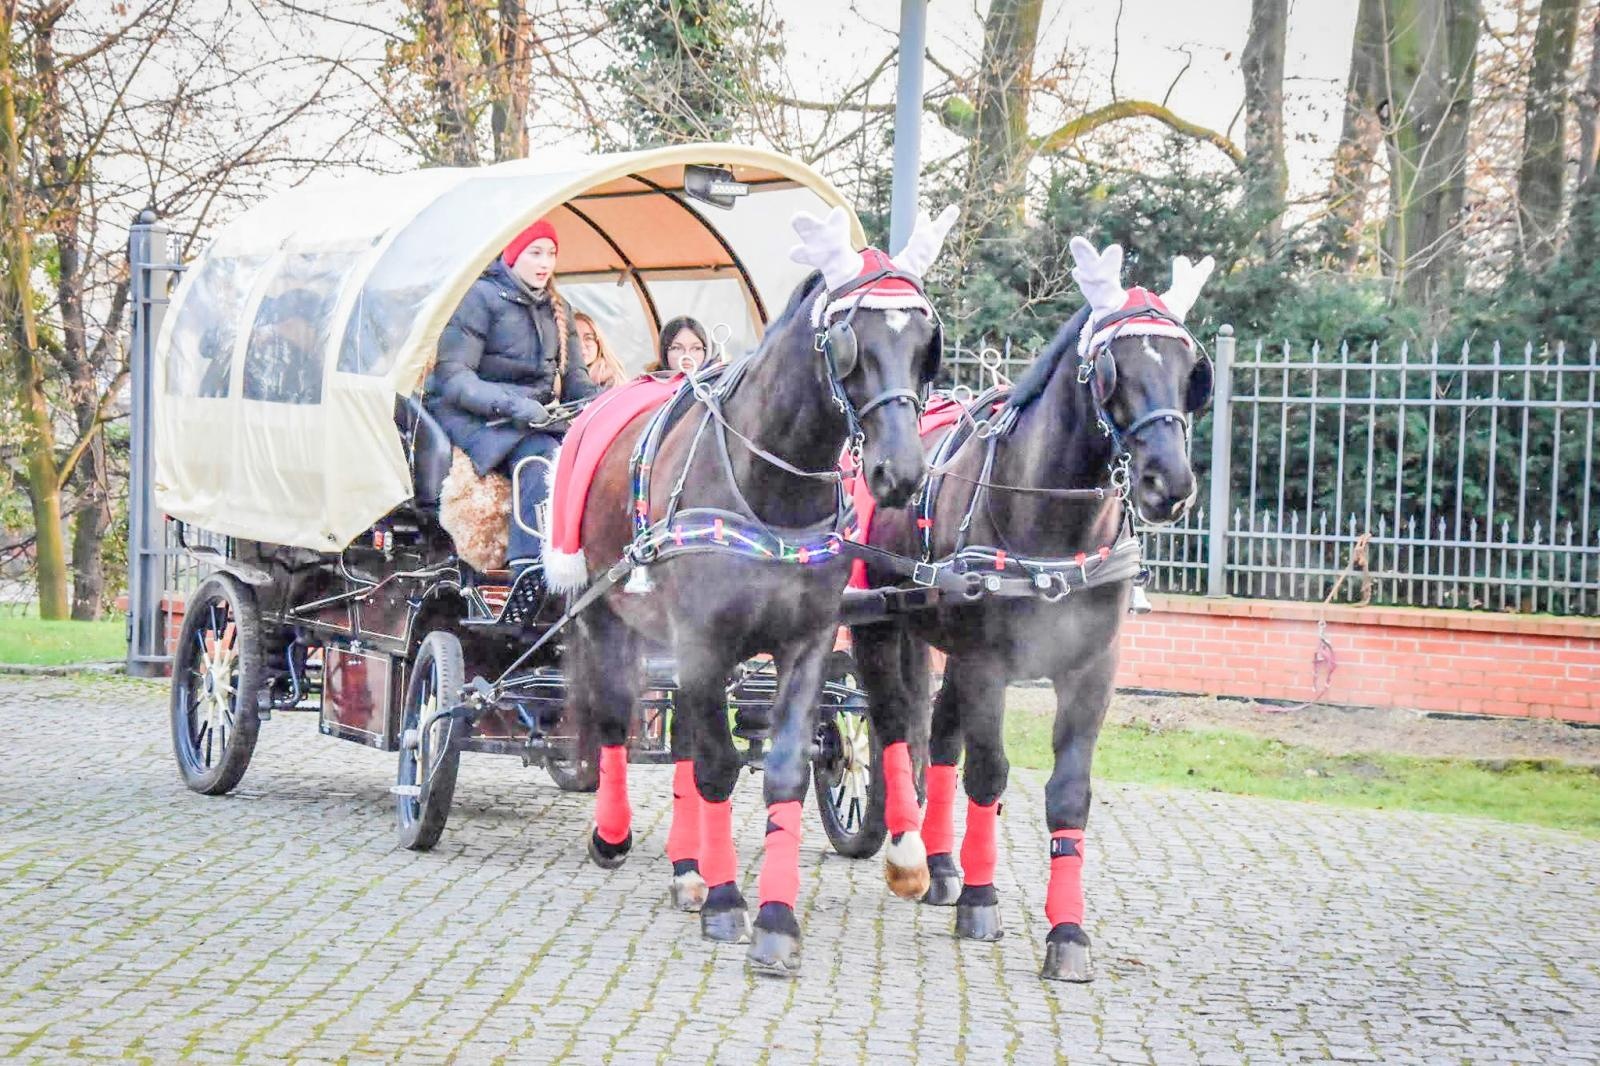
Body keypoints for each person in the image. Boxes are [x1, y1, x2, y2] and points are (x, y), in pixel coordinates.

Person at [426, 217, 597, 580]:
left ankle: (591, 556)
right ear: (514, 255)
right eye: (535, 253)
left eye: (551, 254)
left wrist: (605, 406)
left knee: (589, 452)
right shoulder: (479, 298)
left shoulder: (558, 308)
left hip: (532, 415)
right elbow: (454, 378)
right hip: (473, 415)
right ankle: (528, 566)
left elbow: (576, 380)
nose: (544, 263)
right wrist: (515, 406)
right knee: (542, 456)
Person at [574, 311, 627, 389]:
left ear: (598, 343)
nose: (581, 345)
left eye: (588, 338)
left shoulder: (612, 381)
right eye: (574, 339)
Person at [646, 315, 711, 374]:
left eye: (696, 348)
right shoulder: (646, 385)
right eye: (677, 348)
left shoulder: (718, 384)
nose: (686, 356)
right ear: (664, 352)